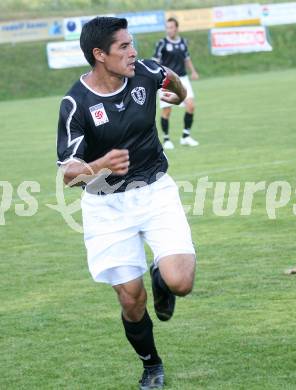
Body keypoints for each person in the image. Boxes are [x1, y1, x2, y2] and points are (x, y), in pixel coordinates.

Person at [56, 16, 196, 390]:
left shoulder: (145, 72)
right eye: (124, 47)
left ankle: (161, 275)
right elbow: (68, 175)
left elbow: (170, 77)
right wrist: (100, 164)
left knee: (180, 282)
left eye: (132, 44)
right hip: (105, 206)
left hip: (155, 191)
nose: (133, 52)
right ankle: (151, 366)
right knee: (132, 300)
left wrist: (179, 95)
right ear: (99, 54)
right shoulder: (76, 103)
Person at [153, 17, 200, 150]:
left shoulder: (183, 42)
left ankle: (185, 137)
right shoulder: (161, 43)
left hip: (183, 79)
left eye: (171, 27)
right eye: (167, 27)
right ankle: (166, 139)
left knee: (190, 106)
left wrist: (194, 72)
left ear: (177, 28)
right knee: (167, 111)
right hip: (166, 80)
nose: (169, 30)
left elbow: (187, 58)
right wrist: (156, 77)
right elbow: (155, 61)